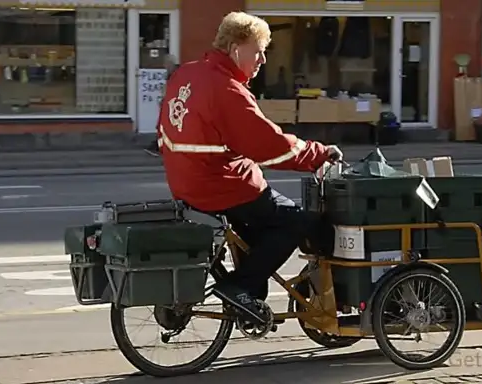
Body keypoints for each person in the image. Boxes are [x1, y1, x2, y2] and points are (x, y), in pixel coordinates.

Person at [156, 11, 342, 325]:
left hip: (188, 183)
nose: (262, 60)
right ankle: (240, 288)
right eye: (258, 51)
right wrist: (319, 154)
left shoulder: (187, 74)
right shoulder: (226, 90)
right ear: (235, 48)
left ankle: (249, 300)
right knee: (297, 222)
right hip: (224, 187)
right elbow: (270, 146)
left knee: (258, 233)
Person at [143, 55, 181, 157]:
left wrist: (165, 99)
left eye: (166, 64)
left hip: (174, 104)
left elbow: (172, 88)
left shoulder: (175, 73)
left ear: (169, 64)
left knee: (166, 126)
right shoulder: (174, 72)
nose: (165, 66)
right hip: (172, 103)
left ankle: (157, 147)